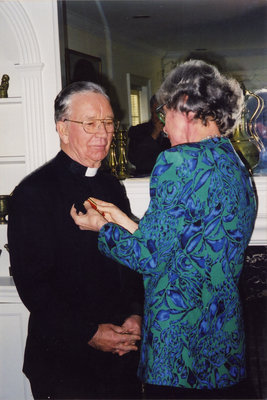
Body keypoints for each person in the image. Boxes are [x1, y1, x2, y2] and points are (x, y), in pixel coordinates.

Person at [71, 60, 257, 399]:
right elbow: (184, 241)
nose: (164, 127)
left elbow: (149, 259)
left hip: (180, 348)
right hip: (223, 340)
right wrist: (124, 220)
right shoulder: (233, 160)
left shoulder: (178, 162)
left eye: (164, 114)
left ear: (185, 106)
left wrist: (101, 228)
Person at [7, 81, 144, 399]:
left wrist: (136, 314)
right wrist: (91, 333)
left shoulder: (112, 187)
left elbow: (132, 261)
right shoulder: (33, 193)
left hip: (122, 353)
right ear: (63, 129)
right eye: (90, 123)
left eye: (108, 122)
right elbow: (33, 286)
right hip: (66, 359)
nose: (103, 133)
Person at [127, 94, 170, 175]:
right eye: (156, 111)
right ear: (151, 110)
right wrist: (154, 135)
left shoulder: (174, 131)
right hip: (145, 177)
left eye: (162, 112)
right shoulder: (138, 130)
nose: (159, 115)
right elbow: (133, 158)